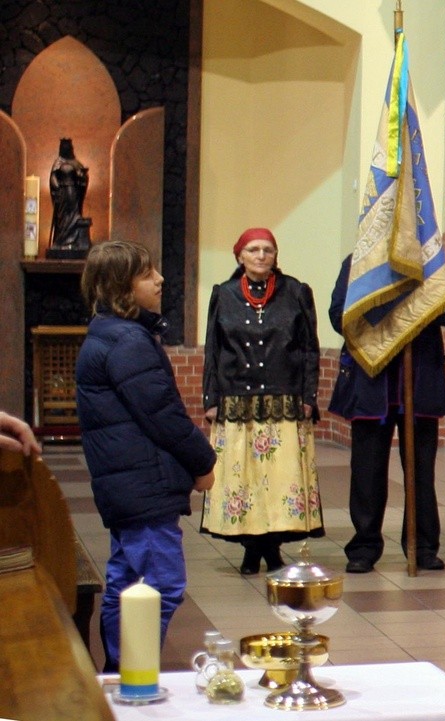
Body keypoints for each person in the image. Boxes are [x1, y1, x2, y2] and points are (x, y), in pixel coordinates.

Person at [76, 240, 216, 672]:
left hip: (130, 483)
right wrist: (203, 461)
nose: (159, 280)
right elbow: (164, 416)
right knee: (161, 586)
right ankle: (131, 676)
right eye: (146, 274)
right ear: (121, 286)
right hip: (142, 485)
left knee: (126, 583)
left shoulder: (111, 333)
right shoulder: (126, 341)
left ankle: (119, 674)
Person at [328, 254, 445, 573]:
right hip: (372, 382)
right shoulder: (358, 260)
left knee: (421, 472)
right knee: (367, 472)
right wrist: (387, 301)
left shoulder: (429, 260)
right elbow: (338, 316)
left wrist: (423, 294)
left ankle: (423, 547)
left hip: (419, 382)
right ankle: (364, 545)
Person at [201, 227, 324, 575]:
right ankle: (252, 547)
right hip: (237, 400)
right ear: (239, 256)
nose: (260, 256)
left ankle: (272, 546)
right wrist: (211, 397)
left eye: (267, 250)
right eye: (253, 250)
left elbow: (309, 348)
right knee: (246, 478)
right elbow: (213, 348)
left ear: (275, 256)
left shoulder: (295, 292)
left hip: (284, 400)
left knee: (280, 478)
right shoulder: (223, 294)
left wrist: (308, 396)